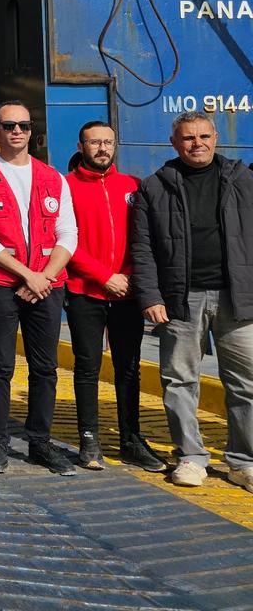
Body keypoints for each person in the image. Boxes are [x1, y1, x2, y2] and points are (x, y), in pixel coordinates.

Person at [129, 111, 253, 492]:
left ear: (215, 138)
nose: (196, 144)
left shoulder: (243, 180)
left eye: (203, 136)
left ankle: (244, 461)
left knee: (246, 383)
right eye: (188, 138)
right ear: (174, 143)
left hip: (238, 297)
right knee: (179, 380)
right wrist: (151, 296)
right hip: (180, 299)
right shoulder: (155, 187)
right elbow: (142, 248)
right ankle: (191, 457)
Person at [0, 101, 78, 476]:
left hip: (47, 285)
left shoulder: (53, 178)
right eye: (9, 125)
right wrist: (27, 275)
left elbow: (68, 233)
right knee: (0, 366)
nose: (17, 131)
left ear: (31, 131)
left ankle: (39, 442)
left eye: (24, 126)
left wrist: (44, 276)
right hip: (2, 284)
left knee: (45, 368)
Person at [65, 121, 167, 473]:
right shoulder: (66, 187)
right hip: (86, 291)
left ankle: (131, 439)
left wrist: (128, 276)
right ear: (81, 146)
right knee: (87, 367)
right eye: (95, 142)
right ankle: (89, 438)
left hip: (127, 291)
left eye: (108, 142)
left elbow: (144, 239)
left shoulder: (133, 186)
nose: (102, 148)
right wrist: (103, 276)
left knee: (129, 367)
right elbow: (65, 242)